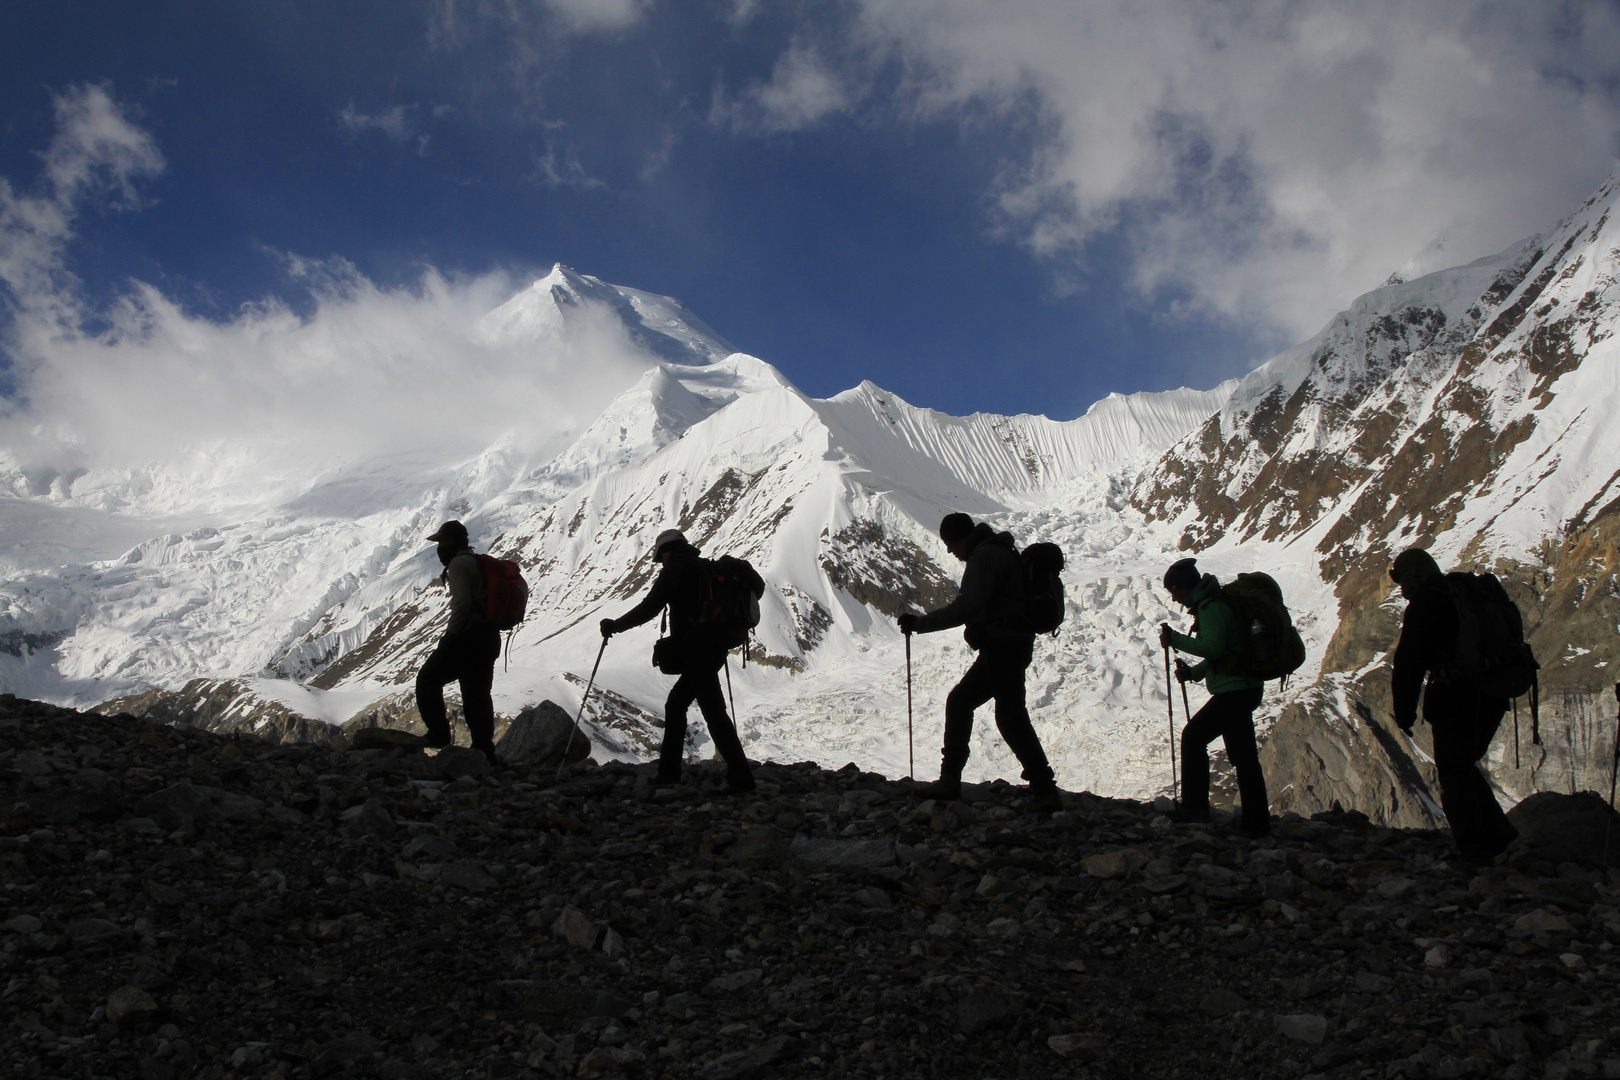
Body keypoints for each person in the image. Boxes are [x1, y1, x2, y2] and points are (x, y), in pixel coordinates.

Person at [898, 513, 1061, 812]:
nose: (949, 550)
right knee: (964, 703)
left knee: (1008, 716)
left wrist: (920, 624)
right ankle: (952, 781)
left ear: (960, 538)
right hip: (1005, 645)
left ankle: (1044, 789)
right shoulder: (995, 551)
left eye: (949, 543)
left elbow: (968, 606)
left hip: (1005, 646)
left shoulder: (984, 557)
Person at [600, 529, 756, 796]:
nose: (661, 561)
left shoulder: (676, 570)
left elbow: (650, 607)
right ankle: (670, 773)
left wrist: (615, 626)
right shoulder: (701, 567)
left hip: (697, 651)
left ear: (667, 551)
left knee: (713, 713)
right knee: (677, 706)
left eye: (661, 556)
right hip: (713, 649)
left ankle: (740, 778)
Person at [1388, 547, 1519, 863]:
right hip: (1492, 691)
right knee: (1463, 765)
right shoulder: (1463, 595)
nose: (1401, 587)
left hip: (1455, 695)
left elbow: (1409, 662)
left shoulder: (1426, 604)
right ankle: (1500, 835)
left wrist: (1405, 711)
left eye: (1403, 578)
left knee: (1454, 773)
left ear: (1415, 574)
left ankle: (1474, 850)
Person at [1159, 557, 1270, 836]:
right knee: (1237, 753)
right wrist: (1195, 674)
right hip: (1242, 687)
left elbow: (1214, 647)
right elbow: (1228, 650)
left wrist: (1175, 640)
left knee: (1205, 741)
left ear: (1183, 588)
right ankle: (1255, 821)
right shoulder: (1215, 604)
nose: (1174, 598)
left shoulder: (1211, 608)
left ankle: (1205, 812)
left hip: (1235, 691)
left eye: (1174, 591)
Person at [416, 520, 502, 764]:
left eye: (441, 541)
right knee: (477, 693)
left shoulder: (458, 564)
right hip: (488, 638)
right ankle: (484, 750)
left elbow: (462, 603)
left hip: (466, 638)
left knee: (427, 679)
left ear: (450, 541)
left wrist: (450, 636)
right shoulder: (475, 561)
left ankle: (438, 734)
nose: (439, 548)